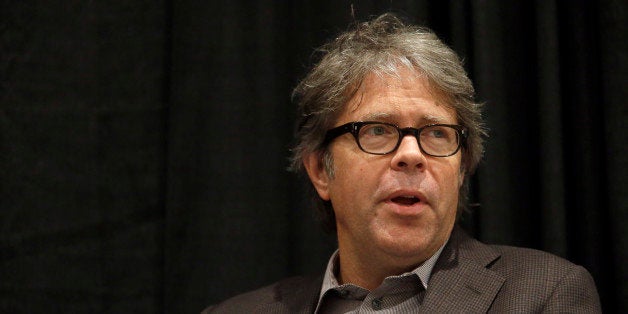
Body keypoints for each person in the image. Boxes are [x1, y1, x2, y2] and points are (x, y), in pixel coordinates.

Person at [204, 13, 602, 313]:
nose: (411, 154)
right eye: (377, 130)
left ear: (462, 168)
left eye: (436, 133)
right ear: (320, 170)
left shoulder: (545, 293)